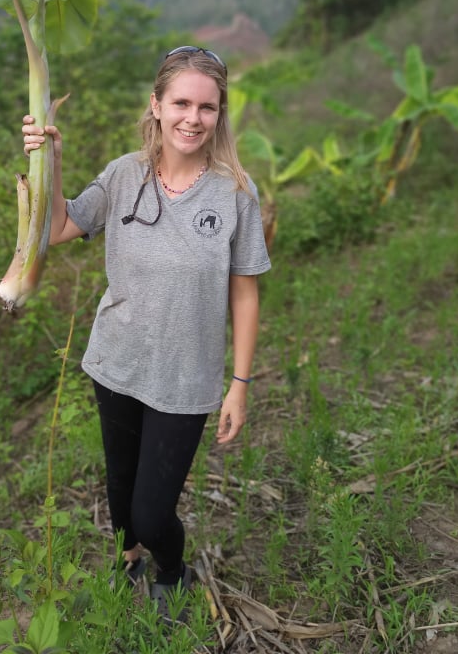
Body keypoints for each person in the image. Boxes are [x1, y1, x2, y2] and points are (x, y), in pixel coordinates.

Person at [22, 45, 271, 618]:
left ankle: (172, 570)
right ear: (156, 105)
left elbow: (244, 289)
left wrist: (240, 382)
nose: (193, 118)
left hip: (186, 378)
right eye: (181, 102)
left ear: (219, 114)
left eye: (207, 107)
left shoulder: (234, 191)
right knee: (121, 494)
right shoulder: (124, 174)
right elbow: (59, 226)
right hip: (117, 363)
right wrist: (49, 156)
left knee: (155, 511)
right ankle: (127, 555)